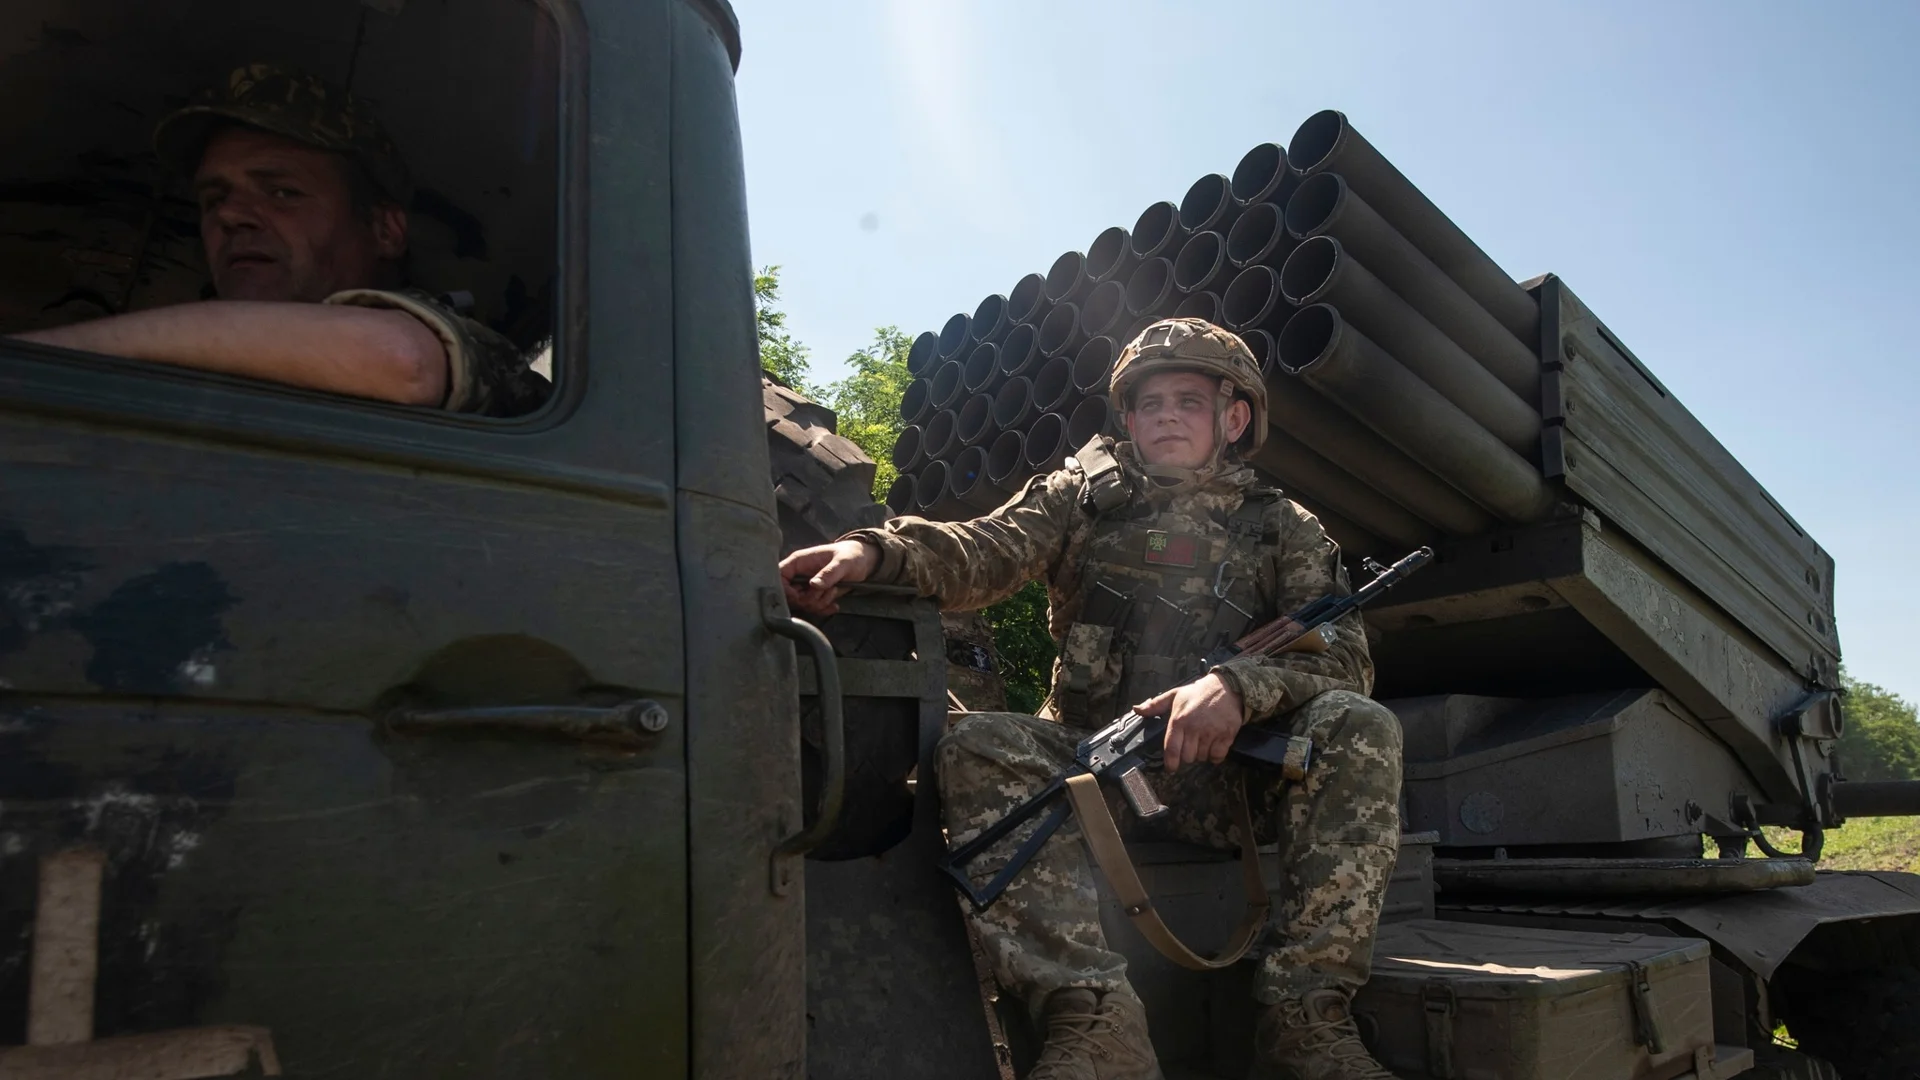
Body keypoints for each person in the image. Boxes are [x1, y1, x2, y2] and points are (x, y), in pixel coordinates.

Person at [780, 318, 1402, 1080]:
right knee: (980, 742)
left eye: (1189, 400)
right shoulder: (1080, 496)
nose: (1166, 415)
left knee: (1357, 725)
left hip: (1228, 785)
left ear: (1234, 418)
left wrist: (1237, 687)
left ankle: (1308, 1019)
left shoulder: (1282, 527)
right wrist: (875, 550)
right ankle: (1094, 1021)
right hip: (1095, 774)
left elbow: (1343, 659)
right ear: (1128, 418)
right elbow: (985, 549)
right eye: (1149, 402)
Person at [9, 63, 548, 417]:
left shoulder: (463, 343)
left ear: (385, 230)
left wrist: (27, 367)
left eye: (283, 192)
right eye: (213, 197)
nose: (232, 215)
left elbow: (400, 359)